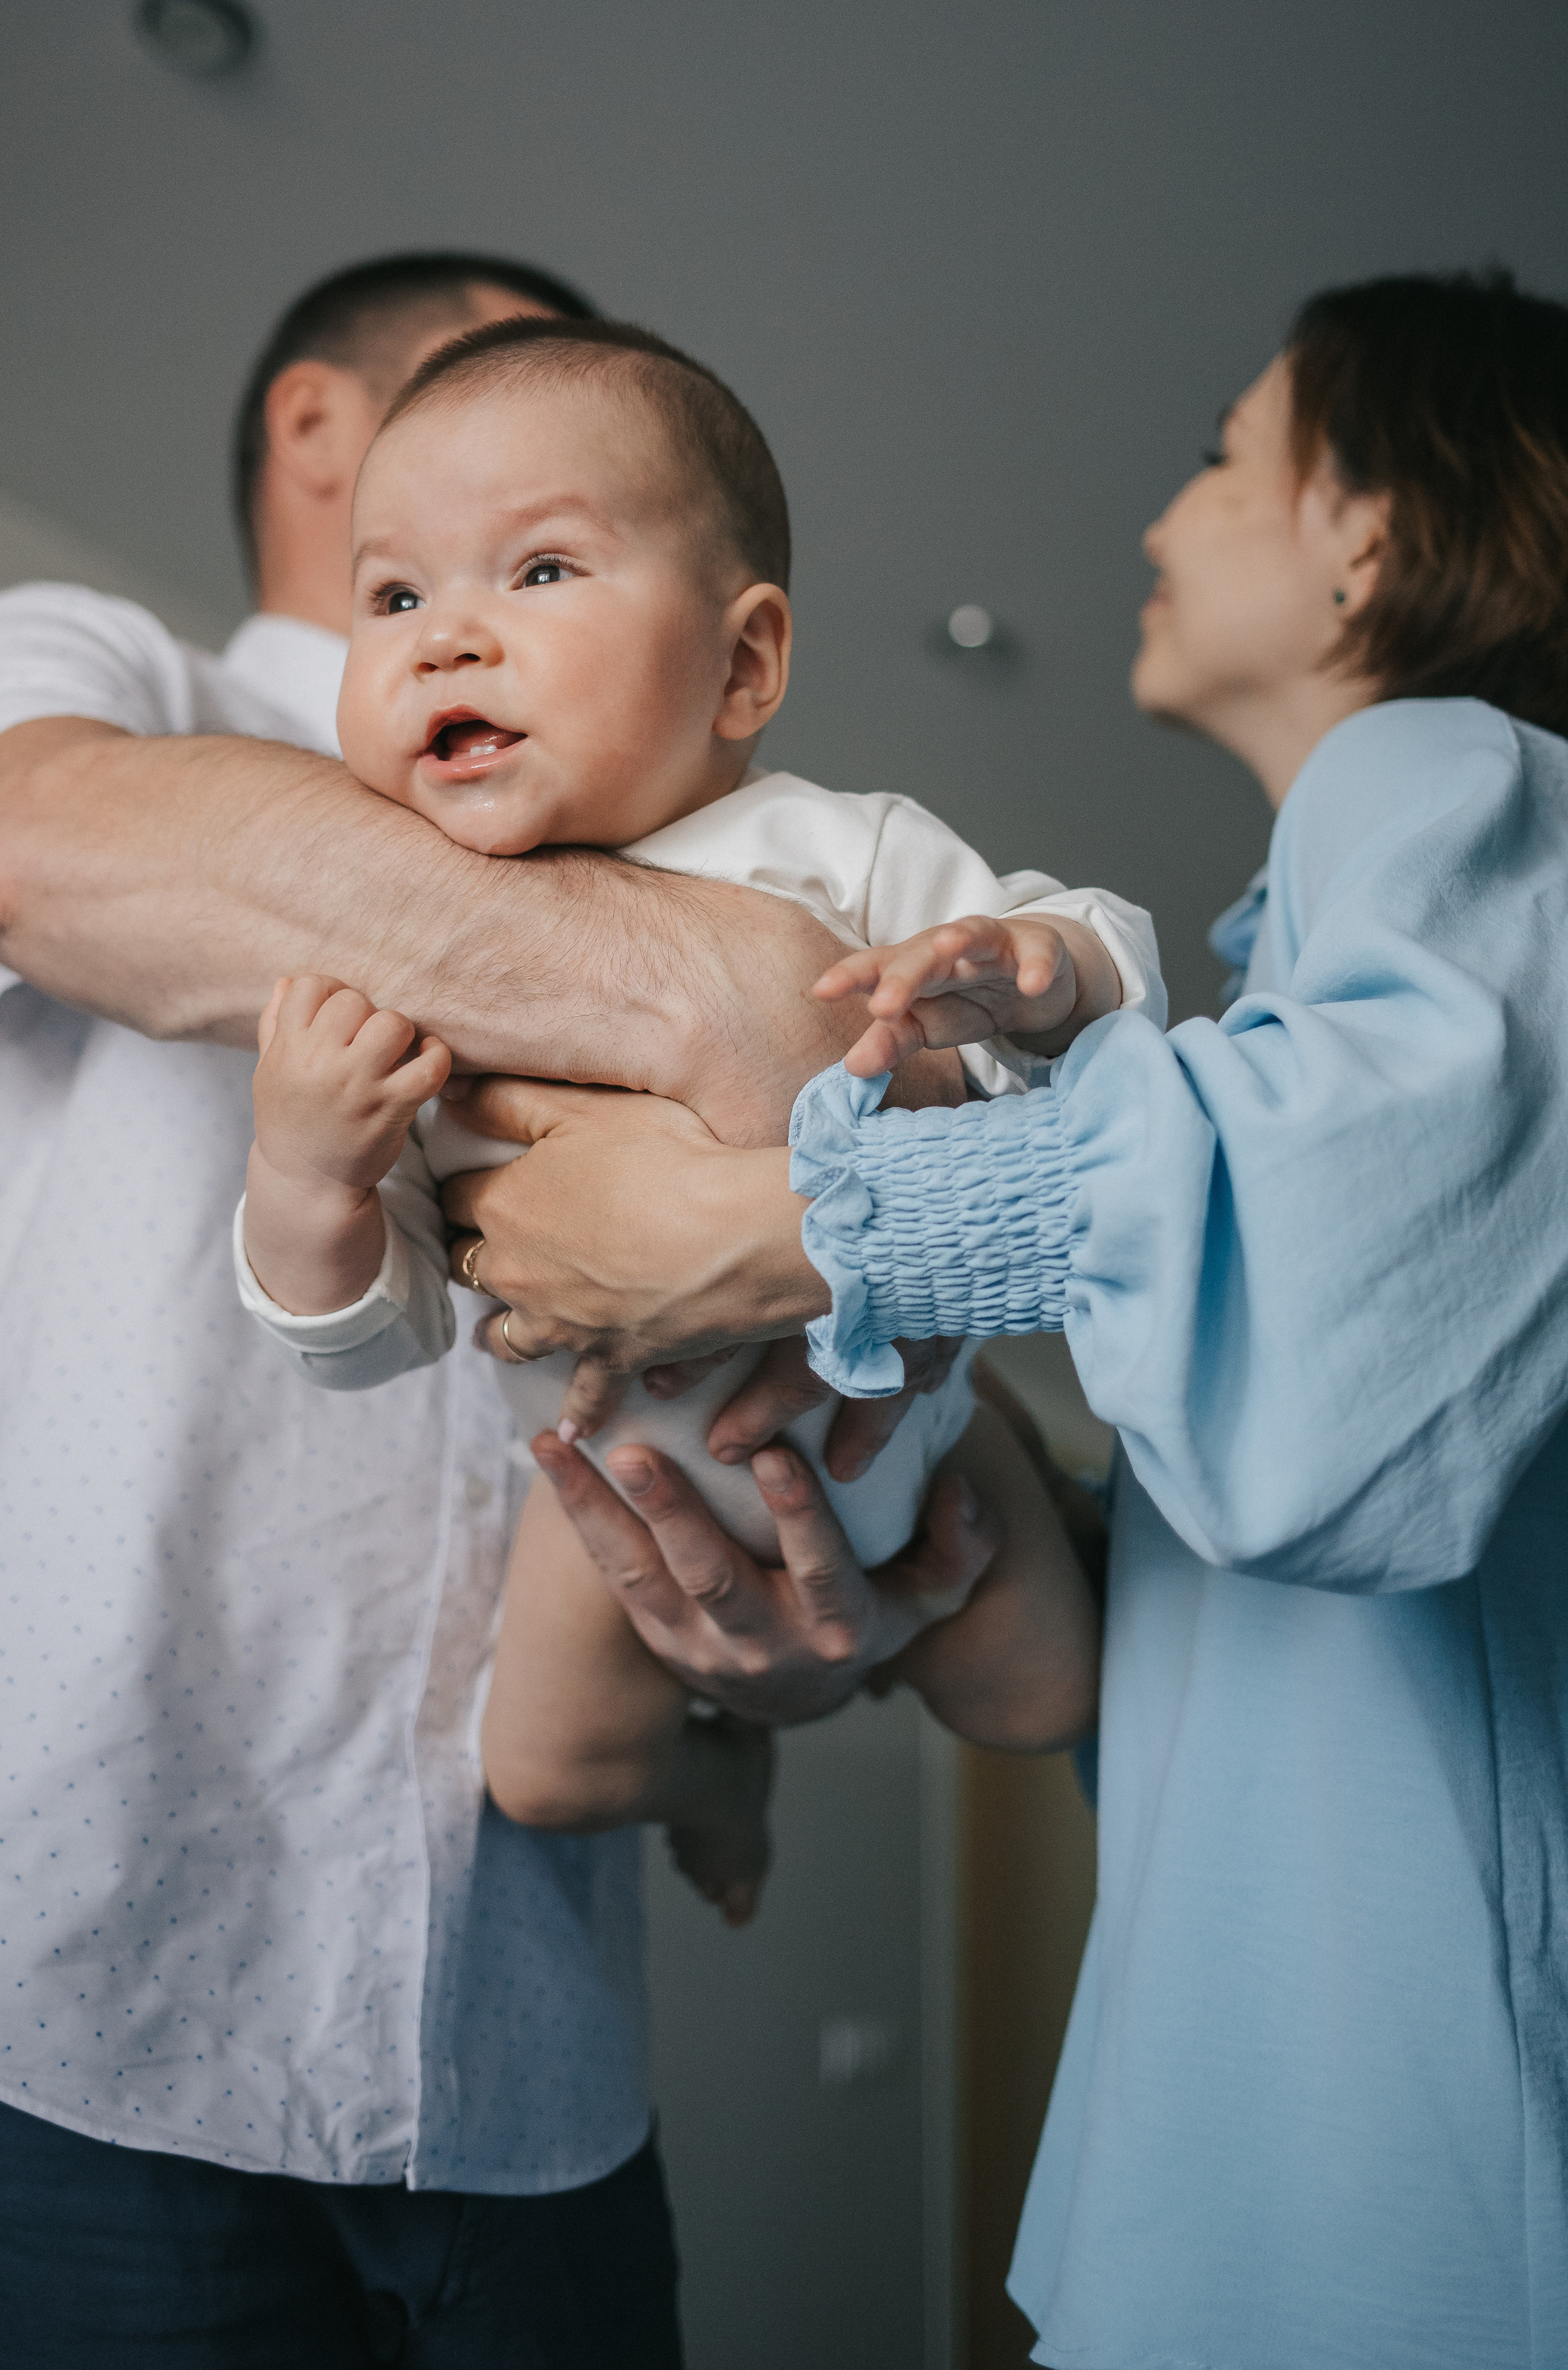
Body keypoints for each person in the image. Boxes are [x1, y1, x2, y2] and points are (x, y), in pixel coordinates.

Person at [0, 250, 996, 2369]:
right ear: (323, 435)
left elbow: (821, 1305)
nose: (481, 610)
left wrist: (756, 1692)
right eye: (480, 409)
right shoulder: (104, 671)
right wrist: (742, 997)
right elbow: (20, 856)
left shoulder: (741, 830)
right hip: (61, 2012)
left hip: (521, 2066)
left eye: (561, 538)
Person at [446, 267, 1568, 2364]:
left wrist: (779, 1227)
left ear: (1375, 533)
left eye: (1226, 454)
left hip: (1404, 2199)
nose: (1160, 518)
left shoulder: (1462, 779)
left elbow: (1348, 1296)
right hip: (1296, 2166)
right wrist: (924, 1532)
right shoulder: (1310, 961)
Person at [233, 314, 1146, 1911]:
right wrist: (304, 1175)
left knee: (1046, 1700)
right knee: (545, 1771)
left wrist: (1038, 966)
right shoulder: (406, 966)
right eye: (393, 596)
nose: (445, 636)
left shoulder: (832, 851)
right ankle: (717, 1778)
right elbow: (375, 1338)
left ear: (743, 663)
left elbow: (1112, 1017)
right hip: (618, 1486)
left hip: (920, 1436)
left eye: (536, 572)